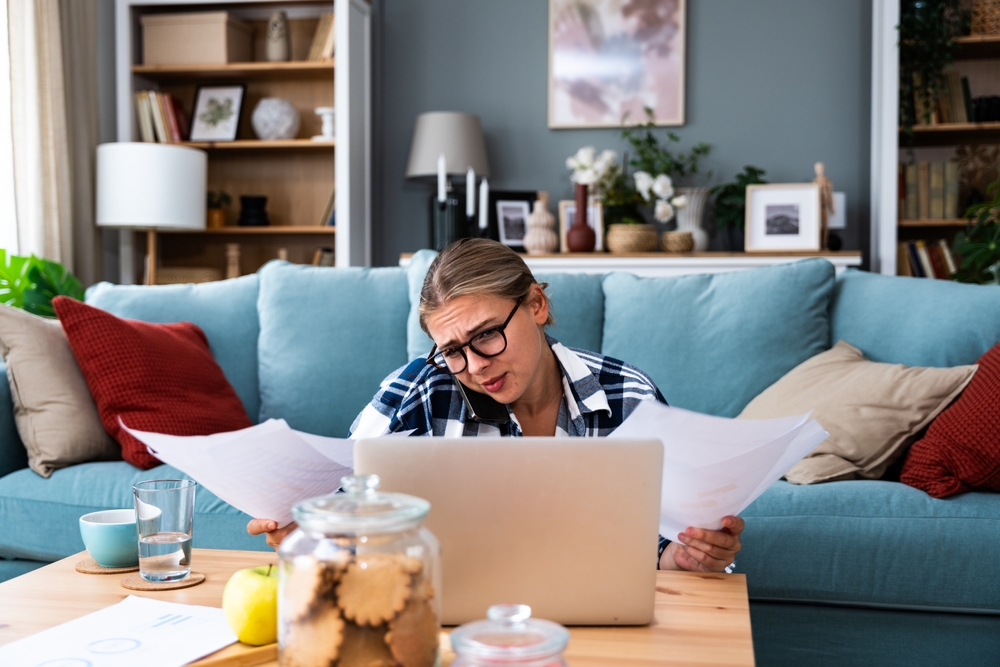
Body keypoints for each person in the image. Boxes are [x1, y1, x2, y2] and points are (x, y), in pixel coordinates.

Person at [249, 238, 743, 572]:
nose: (475, 365)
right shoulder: (420, 390)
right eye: (453, 350)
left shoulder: (628, 397)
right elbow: (338, 504)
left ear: (536, 305)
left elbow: (663, 541)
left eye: (486, 335)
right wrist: (302, 529)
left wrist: (686, 556)